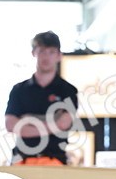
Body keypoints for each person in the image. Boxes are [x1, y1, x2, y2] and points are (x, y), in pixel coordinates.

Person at [4, 31, 79, 165]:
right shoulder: (19, 90)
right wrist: (52, 124)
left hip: (55, 160)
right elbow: (10, 125)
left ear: (59, 55)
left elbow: (63, 124)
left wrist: (27, 121)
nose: (46, 57)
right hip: (22, 159)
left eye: (51, 52)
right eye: (42, 51)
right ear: (34, 53)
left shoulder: (68, 90)